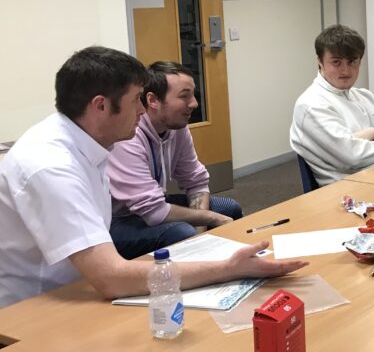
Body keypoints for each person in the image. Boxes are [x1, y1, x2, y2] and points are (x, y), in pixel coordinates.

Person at [0, 46, 307, 309]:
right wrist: (226, 269)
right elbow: (110, 278)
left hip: (78, 286)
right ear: (101, 105)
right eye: (136, 100)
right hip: (35, 309)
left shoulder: (86, 140)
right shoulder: (52, 165)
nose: (142, 110)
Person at [107, 61, 243, 260]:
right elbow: (153, 211)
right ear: (153, 100)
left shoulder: (177, 128)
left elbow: (196, 181)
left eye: (193, 94)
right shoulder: (128, 136)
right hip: (117, 221)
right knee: (181, 232)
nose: (194, 103)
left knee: (229, 207)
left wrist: (202, 230)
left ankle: (234, 265)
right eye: (184, 96)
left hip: (151, 204)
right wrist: (209, 219)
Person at [290, 25, 374, 185]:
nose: (346, 71)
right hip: (352, 194)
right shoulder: (311, 104)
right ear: (320, 62)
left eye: (352, 62)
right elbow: (352, 156)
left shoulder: (365, 96)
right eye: (336, 62)